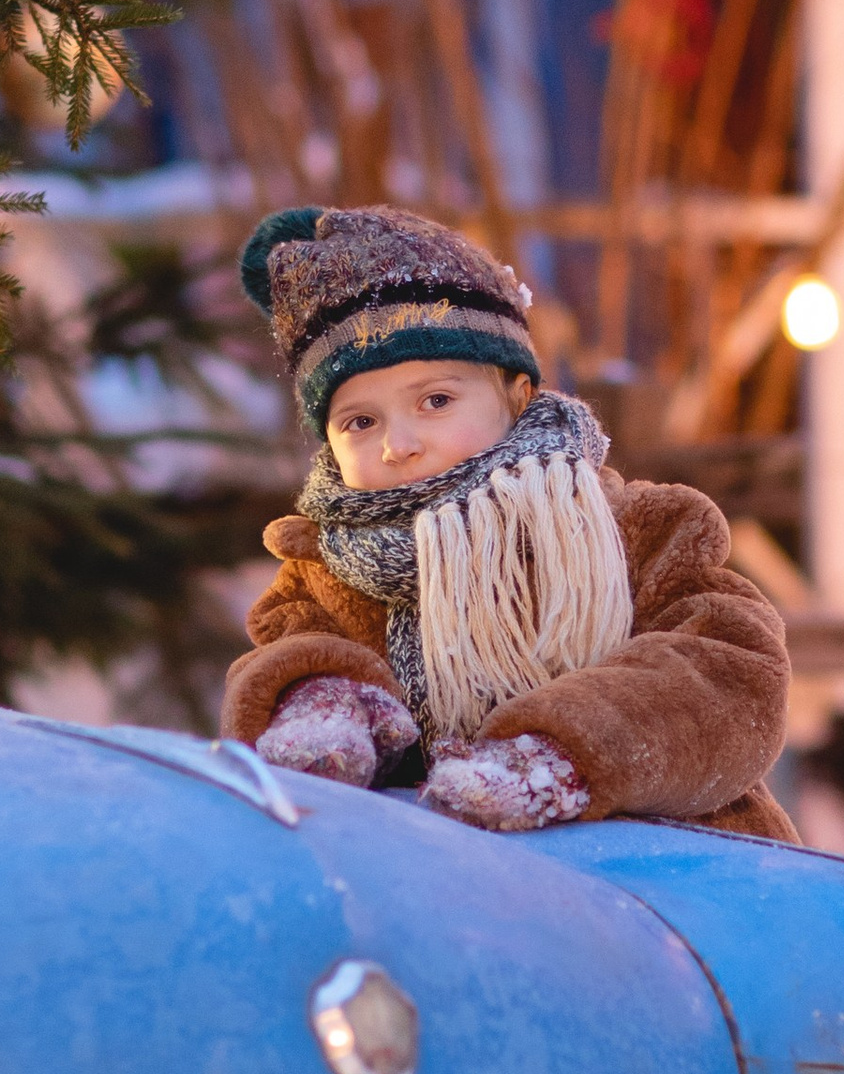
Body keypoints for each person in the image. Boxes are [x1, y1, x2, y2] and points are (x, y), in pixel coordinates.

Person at [222, 202, 796, 838]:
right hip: (458, 897)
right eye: (361, 421)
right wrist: (322, 700)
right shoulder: (323, 577)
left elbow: (726, 674)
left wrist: (563, 754)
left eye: (436, 400)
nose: (398, 444)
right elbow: (289, 656)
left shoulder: (631, 527)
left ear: (516, 396)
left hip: (674, 876)